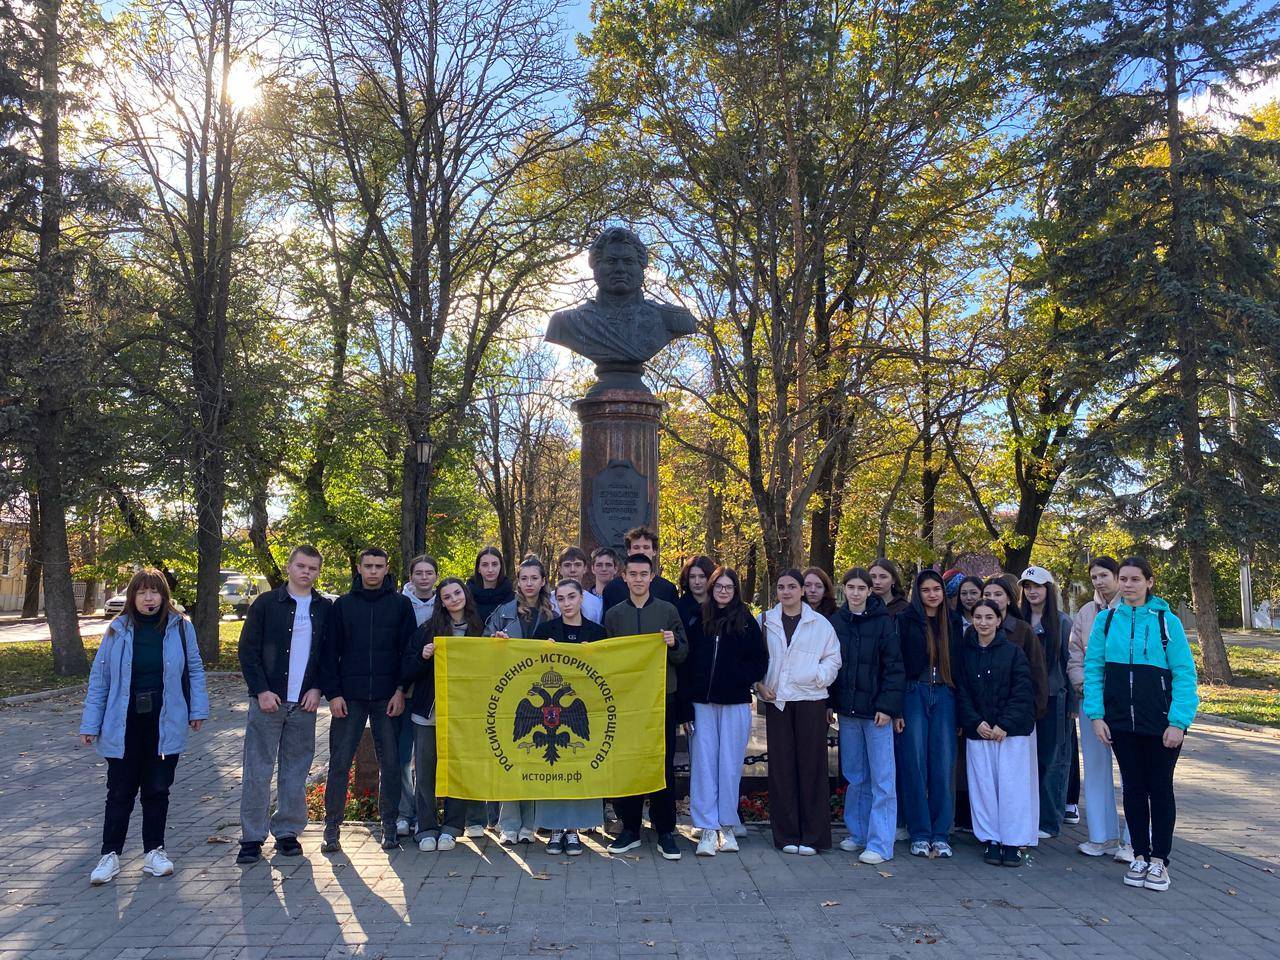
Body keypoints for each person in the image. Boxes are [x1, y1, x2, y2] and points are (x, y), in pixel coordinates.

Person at [80, 568, 210, 885]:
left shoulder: (180, 628)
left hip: (165, 719)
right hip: (123, 721)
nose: (148, 598)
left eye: (154, 592)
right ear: (132, 596)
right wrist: (90, 722)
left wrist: (197, 709)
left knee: (157, 789)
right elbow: (100, 679)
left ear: (164, 596)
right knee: (120, 790)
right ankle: (110, 855)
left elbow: (194, 669)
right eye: (141, 592)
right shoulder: (117, 629)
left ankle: (155, 852)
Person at [1084, 557, 1198, 892]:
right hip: (1120, 722)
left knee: (1160, 789)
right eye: (1124, 579)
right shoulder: (1106, 622)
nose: (1129, 584)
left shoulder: (1167, 621)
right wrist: (1097, 715)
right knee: (1132, 789)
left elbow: (1184, 674)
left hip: (1160, 723)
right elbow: (1093, 671)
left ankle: (1160, 860)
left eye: (1136, 579)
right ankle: (1139, 855)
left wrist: (1178, 721)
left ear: (1149, 582)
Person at [236, 545, 332, 865]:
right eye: (301, 566)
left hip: (304, 703)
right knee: (257, 770)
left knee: (295, 771)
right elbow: (248, 651)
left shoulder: (324, 608)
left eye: (313, 568)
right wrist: (261, 690)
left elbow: (330, 655)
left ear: (318, 572)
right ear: (290, 567)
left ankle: (288, 832)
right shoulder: (266, 604)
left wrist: (318, 688)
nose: (306, 572)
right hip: (269, 702)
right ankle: (251, 837)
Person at [319, 547, 418, 852]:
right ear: (359, 569)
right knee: (339, 763)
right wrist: (333, 694)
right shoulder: (343, 606)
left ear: (387, 568)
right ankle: (332, 828)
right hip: (349, 698)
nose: (373, 571)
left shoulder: (401, 605)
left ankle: (388, 825)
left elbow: (409, 652)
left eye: (379, 566)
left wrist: (401, 690)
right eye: (368, 566)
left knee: (390, 763)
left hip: (388, 697)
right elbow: (328, 653)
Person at [603, 553, 689, 861]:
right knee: (628, 763)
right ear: (623, 577)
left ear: (652, 577)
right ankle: (630, 828)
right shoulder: (613, 615)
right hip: (625, 703)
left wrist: (673, 643)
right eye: (633, 574)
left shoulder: (667, 611)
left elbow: (683, 654)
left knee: (660, 763)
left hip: (660, 699)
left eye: (644, 574)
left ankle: (666, 830)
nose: (638, 579)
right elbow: (606, 658)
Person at [758, 569, 842, 855]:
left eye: (792, 586)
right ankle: (786, 835)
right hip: (778, 701)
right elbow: (754, 658)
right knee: (781, 769)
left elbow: (833, 658)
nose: (786, 592)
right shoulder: (765, 621)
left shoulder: (819, 623)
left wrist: (816, 677)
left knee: (812, 768)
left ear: (802, 590)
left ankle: (814, 836)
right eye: (781, 587)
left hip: (810, 699)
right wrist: (759, 685)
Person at [688, 566, 769, 856]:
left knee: (730, 764)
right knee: (704, 764)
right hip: (702, 703)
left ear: (736, 591)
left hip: (735, 702)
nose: (723, 591)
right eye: (719, 586)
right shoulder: (699, 619)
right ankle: (707, 827)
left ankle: (727, 824)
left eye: (729, 587)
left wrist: (739, 677)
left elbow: (760, 660)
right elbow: (688, 661)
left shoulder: (745, 621)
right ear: (711, 588)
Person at [402, 578, 485, 852]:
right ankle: (426, 827)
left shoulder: (479, 629)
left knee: (457, 771)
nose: (453, 599)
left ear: (465, 595)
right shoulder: (428, 631)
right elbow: (406, 672)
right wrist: (423, 657)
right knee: (425, 772)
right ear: (441, 602)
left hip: (463, 716)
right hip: (428, 714)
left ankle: (451, 827)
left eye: (457, 593)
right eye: (447, 596)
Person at [828, 568, 904, 864]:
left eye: (862, 588)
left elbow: (894, 667)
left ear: (870, 591)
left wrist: (887, 707)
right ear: (843, 590)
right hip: (848, 712)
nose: (856, 593)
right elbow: (832, 667)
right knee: (856, 775)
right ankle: (858, 833)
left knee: (883, 779)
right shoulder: (836, 622)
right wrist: (830, 705)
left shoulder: (884, 622)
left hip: (876, 714)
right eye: (851, 587)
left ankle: (880, 843)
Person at [956, 599, 1038, 868]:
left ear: (999, 620)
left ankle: (1013, 841)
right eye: (978, 617)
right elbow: (962, 692)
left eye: (989, 617)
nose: (983, 622)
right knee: (984, 787)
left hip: (1010, 734)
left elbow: (1023, 691)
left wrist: (1005, 724)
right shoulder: (966, 654)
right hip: (980, 732)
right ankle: (991, 838)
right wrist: (975, 722)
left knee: (1012, 788)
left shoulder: (1013, 653)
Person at [531, 579, 609, 855]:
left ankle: (574, 829)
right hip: (551, 715)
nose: (566, 603)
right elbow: (528, 669)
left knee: (579, 767)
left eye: (571, 597)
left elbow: (610, 671)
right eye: (561, 598)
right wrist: (542, 652)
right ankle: (554, 828)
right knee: (553, 769)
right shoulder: (545, 632)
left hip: (583, 711)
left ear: (581, 599)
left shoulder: (598, 633)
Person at [1066, 556, 1132, 861]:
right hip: (1092, 701)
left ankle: (1134, 842)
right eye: (1093, 577)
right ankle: (1101, 836)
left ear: (1117, 576)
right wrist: (1082, 686)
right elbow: (1075, 654)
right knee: (1095, 768)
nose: (1098, 581)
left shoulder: (1133, 609)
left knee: (1132, 771)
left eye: (1103, 575)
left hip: (1127, 701)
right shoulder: (1086, 612)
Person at [486, 555, 556, 842]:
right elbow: (482, 647)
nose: (529, 583)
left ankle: (532, 823)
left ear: (542, 581)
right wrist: (495, 642)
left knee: (537, 756)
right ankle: (509, 824)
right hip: (511, 694)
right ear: (518, 581)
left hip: (543, 696)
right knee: (512, 758)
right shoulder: (502, 612)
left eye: (534, 578)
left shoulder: (553, 613)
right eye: (524, 578)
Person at [897, 569, 961, 858]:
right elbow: (897, 665)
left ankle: (941, 832)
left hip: (946, 692)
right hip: (914, 692)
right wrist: (896, 708)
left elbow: (961, 666)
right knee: (915, 764)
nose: (932, 594)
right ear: (918, 593)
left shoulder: (953, 620)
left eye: (937, 588)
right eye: (926, 590)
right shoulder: (905, 620)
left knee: (943, 764)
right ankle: (919, 832)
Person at [1019, 566, 1075, 840]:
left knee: (1053, 761)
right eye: (1027, 587)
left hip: (1055, 700)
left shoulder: (1063, 623)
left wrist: (1073, 704)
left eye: (1037, 586)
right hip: (1024, 702)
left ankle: (1049, 820)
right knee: (1027, 762)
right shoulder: (1019, 620)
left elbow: (1071, 663)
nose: (1032, 592)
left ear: (1048, 590)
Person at [395, 554, 439, 837]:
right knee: (401, 756)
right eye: (418, 573)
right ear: (411, 576)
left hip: (435, 693)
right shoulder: (399, 605)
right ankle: (403, 812)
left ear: (436, 576)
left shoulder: (444, 605)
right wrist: (398, 687)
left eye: (429, 572)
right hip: (405, 688)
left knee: (426, 760)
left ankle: (427, 814)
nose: (424, 577)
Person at [982, 577, 1048, 719]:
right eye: (987, 595)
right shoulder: (973, 632)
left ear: (1009, 599)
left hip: (1018, 713)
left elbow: (1037, 671)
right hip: (983, 716)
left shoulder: (1023, 629)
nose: (992, 599)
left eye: (998, 594)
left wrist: (1035, 709)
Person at [676, 555, 717, 729]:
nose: (697, 582)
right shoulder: (679, 608)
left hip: (719, 685)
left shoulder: (722, 604)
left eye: (702, 577)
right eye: (693, 577)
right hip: (691, 685)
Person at [601, 526, 679, 612]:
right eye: (636, 547)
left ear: (654, 551)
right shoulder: (612, 589)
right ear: (628, 551)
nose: (641, 551)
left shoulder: (667, 589)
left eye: (646, 547)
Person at [556, 547, 603, 623]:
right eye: (567, 565)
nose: (572, 570)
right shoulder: (549, 600)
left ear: (585, 568)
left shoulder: (596, 603)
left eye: (577, 565)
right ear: (560, 569)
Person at [468, 547, 514, 624]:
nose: (490, 570)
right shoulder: (466, 597)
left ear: (501, 566)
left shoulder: (512, 598)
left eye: (494, 564)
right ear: (478, 568)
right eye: (485, 565)